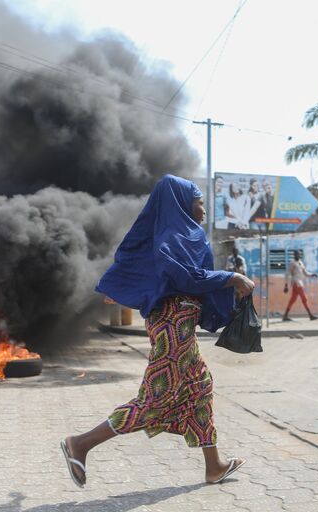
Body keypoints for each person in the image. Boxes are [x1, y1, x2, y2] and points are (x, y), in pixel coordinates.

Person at [60, 175, 255, 488]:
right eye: (199, 201)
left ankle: (213, 465)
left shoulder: (182, 234)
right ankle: (80, 444)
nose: (203, 209)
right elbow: (188, 277)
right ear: (181, 202)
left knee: (200, 387)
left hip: (181, 322)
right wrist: (231, 278)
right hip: (172, 324)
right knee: (154, 400)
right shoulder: (169, 239)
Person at [282, 250, 318, 321]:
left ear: (300, 255)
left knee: (292, 300)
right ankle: (310, 315)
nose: (297, 255)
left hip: (299, 282)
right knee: (304, 299)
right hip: (296, 283)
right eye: (295, 254)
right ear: (294, 255)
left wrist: (312, 275)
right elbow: (287, 274)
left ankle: (285, 316)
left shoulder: (301, 263)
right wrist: (286, 285)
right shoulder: (292, 263)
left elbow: (305, 273)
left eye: (298, 254)